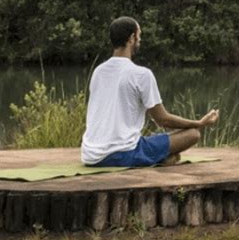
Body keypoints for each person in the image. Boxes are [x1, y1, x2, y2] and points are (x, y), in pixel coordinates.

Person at [81, 16, 219, 167]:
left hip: (90, 156)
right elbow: (163, 120)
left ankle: (160, 156)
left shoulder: (98, 72)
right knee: (193, 134)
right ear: (132, 38)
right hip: (123, 154)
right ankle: (160, 157)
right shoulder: (141, 74)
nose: (140, 40)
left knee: (150, 139)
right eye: (139, 35)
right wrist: (199, 123)